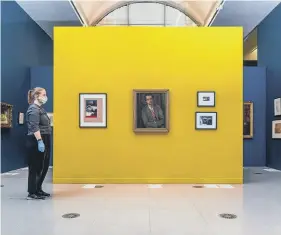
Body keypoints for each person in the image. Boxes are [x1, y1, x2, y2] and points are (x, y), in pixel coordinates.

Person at [26, 87, 51, 200]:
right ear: (36, 96)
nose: (45, 97)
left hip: (45, 138)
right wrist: (40, 141)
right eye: (44, 94)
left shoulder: (41, 109)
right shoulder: (33, 109)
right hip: (36, 140)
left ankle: (38, 188)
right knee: (35, 167)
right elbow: (34, 127)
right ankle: (32, 192)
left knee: (43, 166)